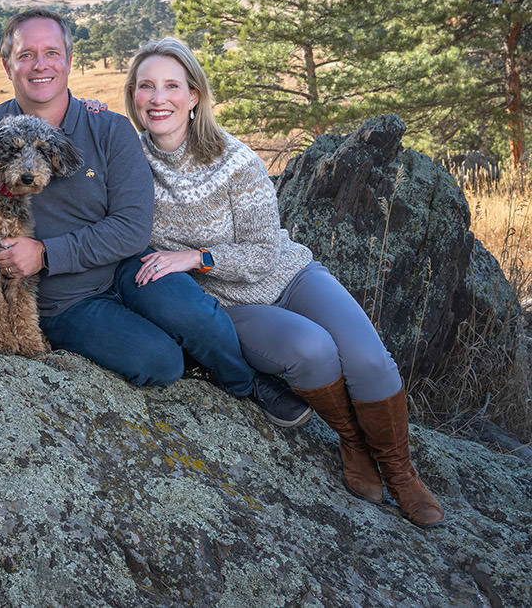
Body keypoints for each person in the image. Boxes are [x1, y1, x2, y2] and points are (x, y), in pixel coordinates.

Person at [123, 37, 444, 528]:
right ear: (134, 97)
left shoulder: (234, 158)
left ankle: (401, 472)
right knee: (313, 350)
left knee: (368, 358)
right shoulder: (129, 165)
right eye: (146, 86)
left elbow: (261, 252)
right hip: (227, 305)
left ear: (194, 97)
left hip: (288, 275)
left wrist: (195, 256)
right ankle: (354, 443)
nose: (158, 97)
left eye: (172, 85)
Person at [0, 9, 309, 427]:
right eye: (26, 55)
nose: (41, 65)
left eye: (52, 53)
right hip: (64, 300)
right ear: (7, 64)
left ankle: (244, 381)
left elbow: (132, 226)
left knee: (194, 313)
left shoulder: (108, 129)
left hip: (128, 267)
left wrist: (46, 252)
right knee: (160, 362)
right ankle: (177, 354)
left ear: (70, 60)